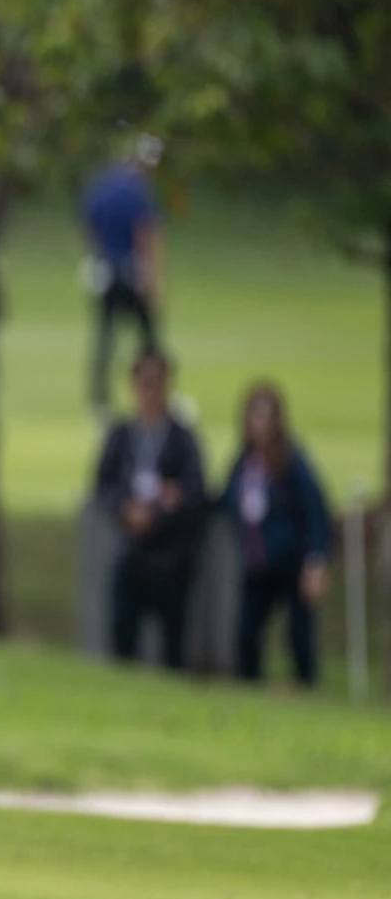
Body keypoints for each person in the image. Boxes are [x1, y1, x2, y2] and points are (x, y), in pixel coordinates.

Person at [93, 348, 206, 669]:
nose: (149, 390)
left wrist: (166, 507)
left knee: (173, 639)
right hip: (131, 549)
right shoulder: (121, 434)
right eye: (142, 382)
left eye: (155, 382)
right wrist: (127, 510)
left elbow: (196, 489)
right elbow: (104, 486)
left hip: (169, 554)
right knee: (123, 634)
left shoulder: (182, 438)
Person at [220, 384, 332, 686]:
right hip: (256, 563)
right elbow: (226, 501)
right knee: (247, 632)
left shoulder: (292, 461)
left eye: (266, 417)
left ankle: (306, 687)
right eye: (254, 417)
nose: (260, 425)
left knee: (298, 633)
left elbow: (315, 511)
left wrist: (316, 559)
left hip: (289, 562)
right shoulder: (243, 462)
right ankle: (249, 687)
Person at [80, 133, 164, 416]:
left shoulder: (101, 184)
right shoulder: (138, 191)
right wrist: (150, 279)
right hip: (131, 270)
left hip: (104, 270)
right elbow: (145, 234)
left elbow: (87, 226)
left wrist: (98, 254)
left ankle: (99, 398)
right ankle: (157, 388)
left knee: (105, 334)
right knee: (148, 335)